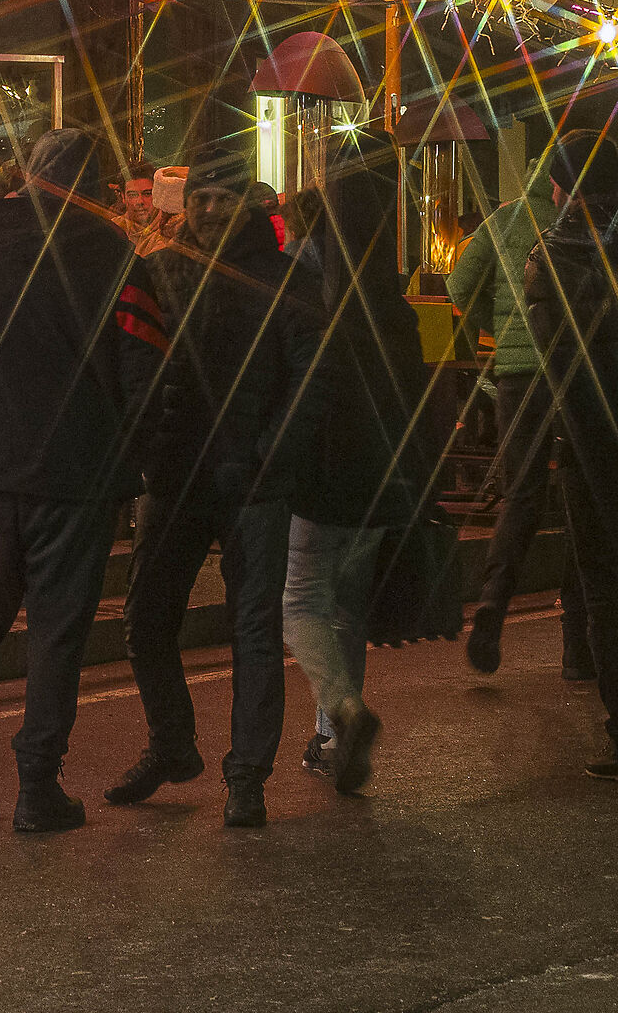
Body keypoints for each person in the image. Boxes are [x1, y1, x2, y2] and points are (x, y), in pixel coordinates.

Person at [0, 128, 166, 831]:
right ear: (96, 187)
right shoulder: (116, 258)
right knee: (57, 629)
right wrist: (141, 459)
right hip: (77, 471)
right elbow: (143, 369)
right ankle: (36, 784)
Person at [105, 142, 320, 830]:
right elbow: (131, 362)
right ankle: (172, 744)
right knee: (146, 619)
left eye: (220, 198)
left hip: (253, 481)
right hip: (175, 471)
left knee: (252, 631)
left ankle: (247, 776)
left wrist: (268, 455)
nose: (204, 208)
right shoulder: (161, 269)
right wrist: (146, 447)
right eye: (197, 196)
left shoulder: (285, 280)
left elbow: (307, 381)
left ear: (249, 202)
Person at [280, 161, 425, 796]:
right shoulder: (392, 303)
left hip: (322, 475)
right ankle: (334, 739)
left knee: (301, 602)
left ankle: (343, 708)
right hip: (382, 480)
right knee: (348, 608)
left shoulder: (310, 292)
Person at [450, 155, 592, 679]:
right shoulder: (583, 225)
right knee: (585, 492)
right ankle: (580, 647)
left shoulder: (503, 219)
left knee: (521, 493)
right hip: (575, 370)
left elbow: (459, 287)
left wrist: (498, 332)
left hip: (516, 376)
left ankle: (491, 604)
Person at [521, 130, 618, 779]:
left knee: (605, 585)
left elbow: (548, 368)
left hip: (588, 447)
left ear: (567, 187)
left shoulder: (546, 259)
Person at [120, 160, 158, 253]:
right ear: (123, 197)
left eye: (147, 194)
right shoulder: (113, 228)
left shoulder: (170, 231)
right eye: (133, 195)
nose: (140, 201)